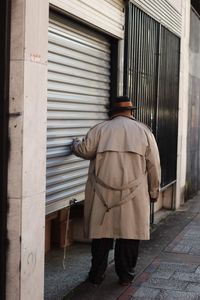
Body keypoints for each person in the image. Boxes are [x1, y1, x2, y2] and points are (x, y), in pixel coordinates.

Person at [72, 96, 161, 286]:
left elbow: (84, 151)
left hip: (102, 194)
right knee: (129, 235)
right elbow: (154, 166)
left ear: (112, 112)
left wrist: (74, 144)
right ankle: (125, 276)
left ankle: (96, 275)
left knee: (101, 235)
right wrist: (153, 192)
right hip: (134, 195)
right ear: (132, 112)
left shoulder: (100, 129)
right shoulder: (145, 132)